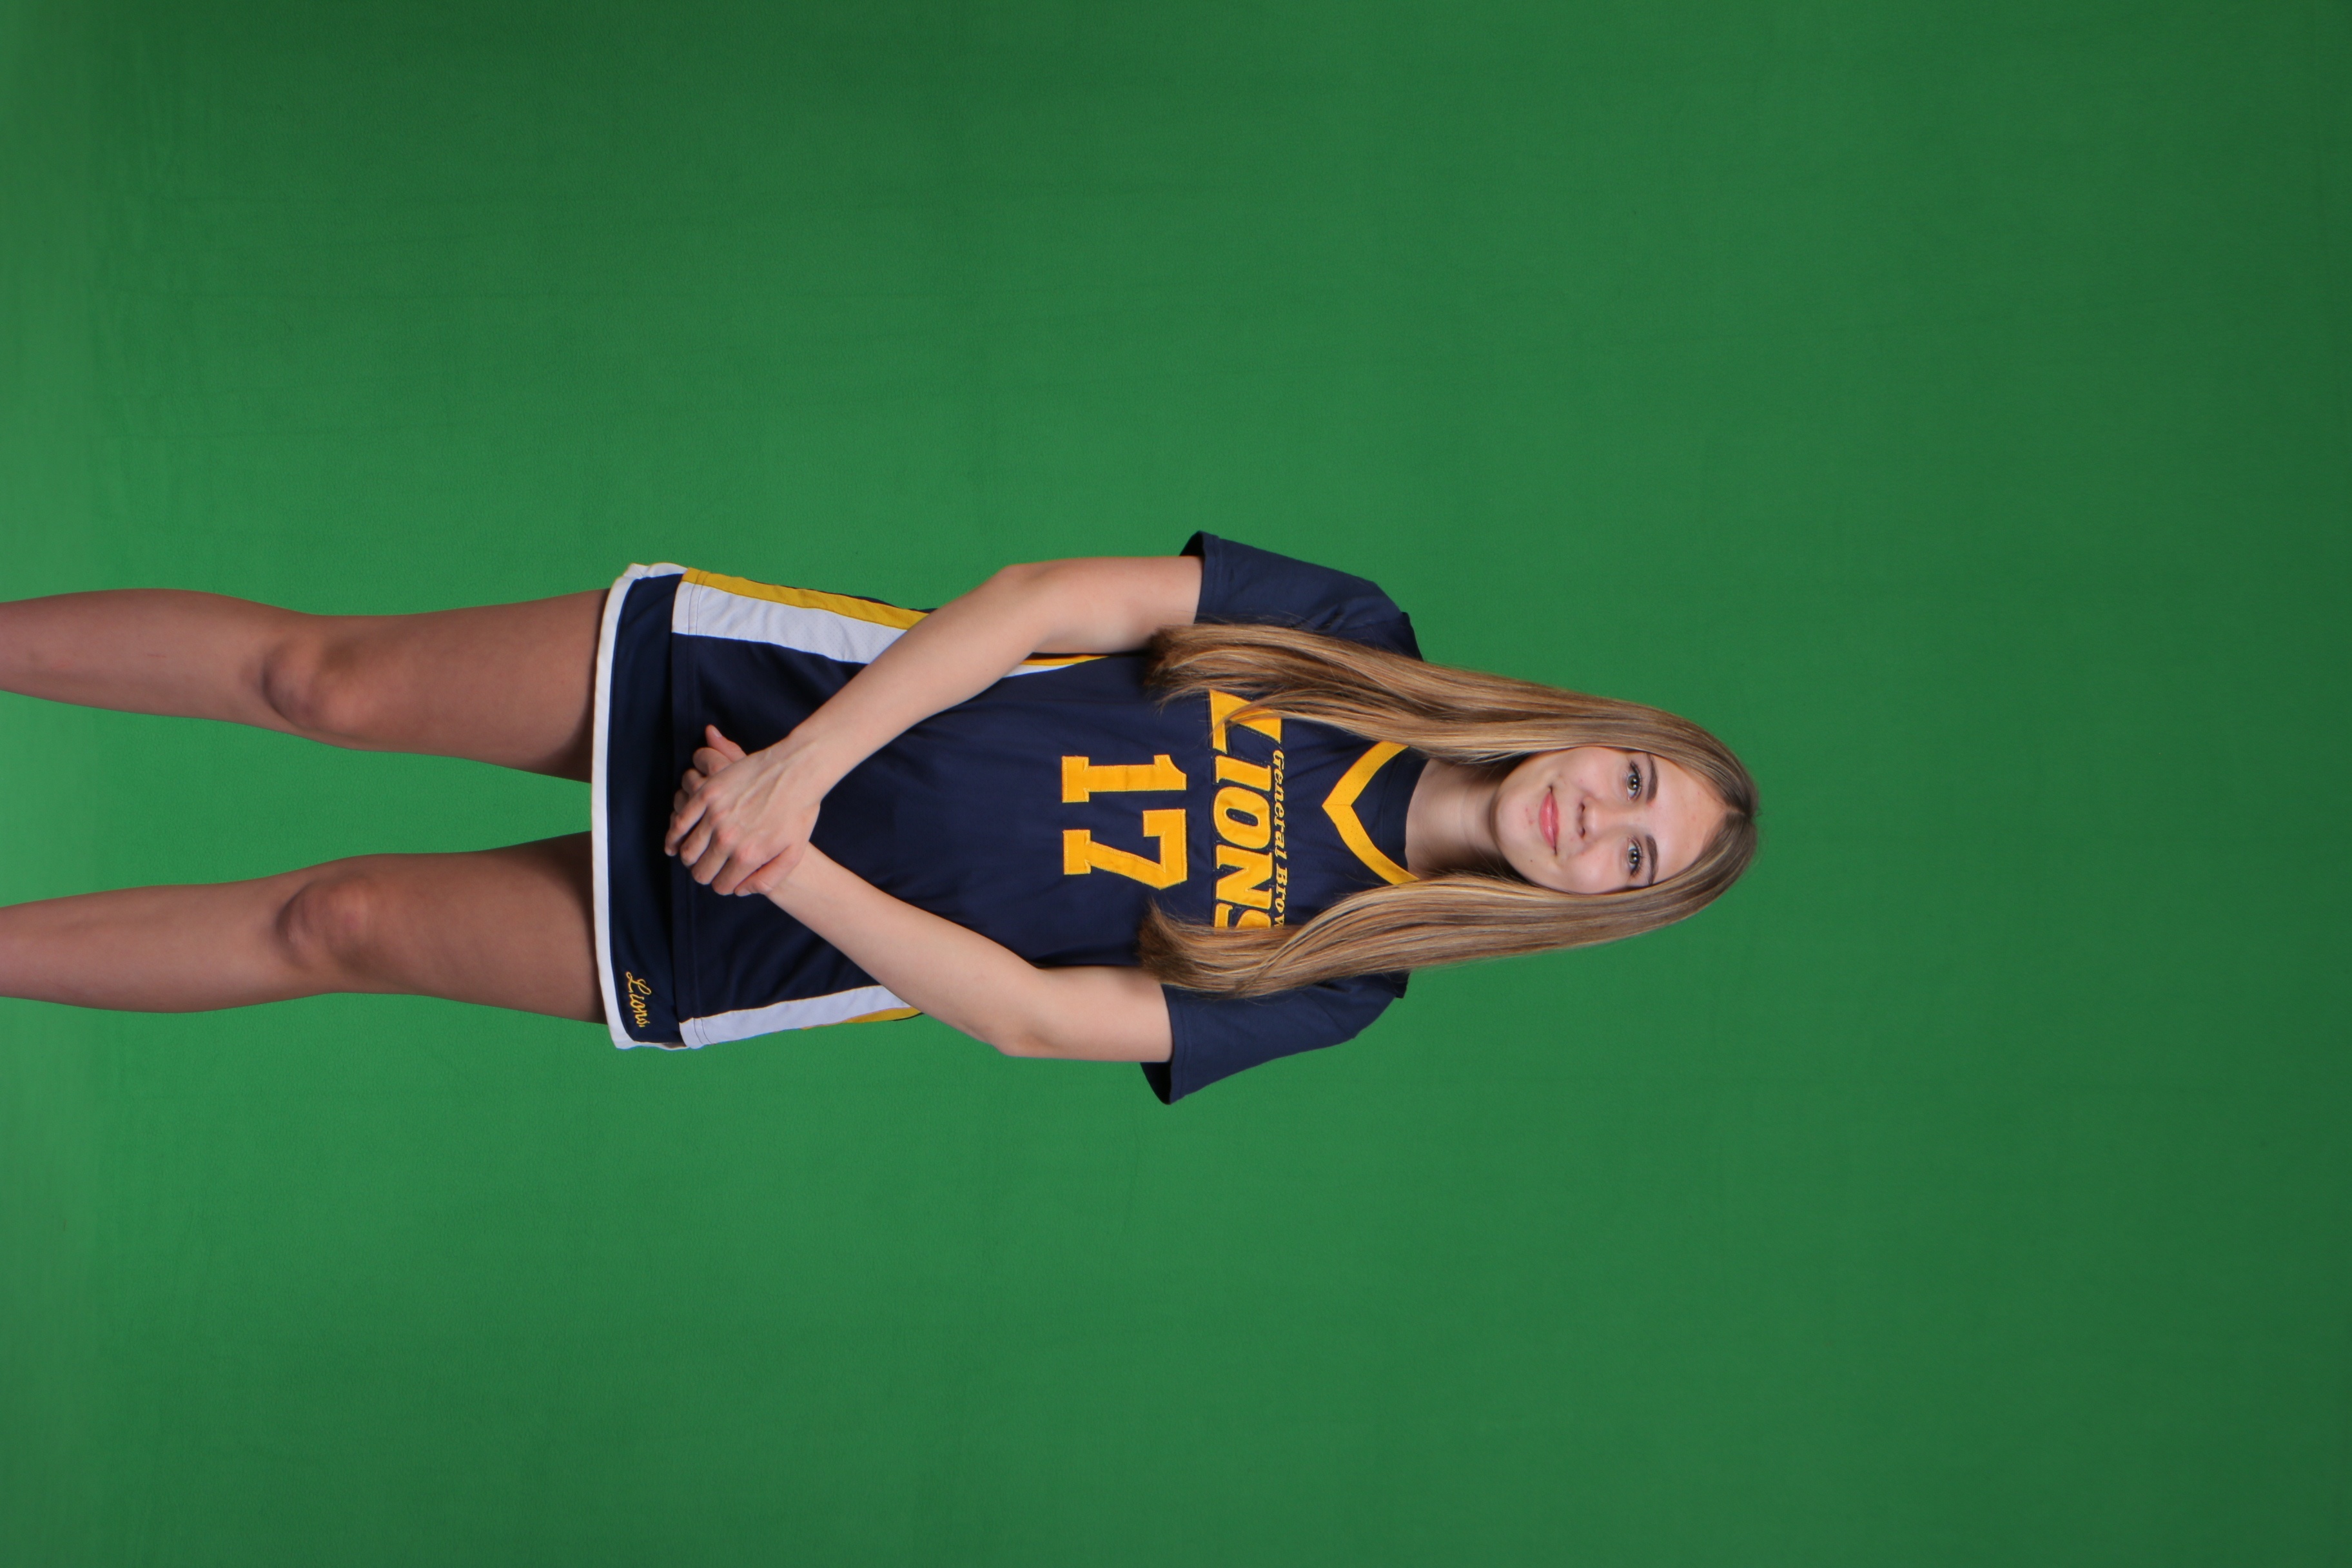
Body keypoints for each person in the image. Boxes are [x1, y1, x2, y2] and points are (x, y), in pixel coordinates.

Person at [0, 535, 1757, 1101]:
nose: (1594, 822)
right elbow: (1039, 600)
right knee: (326, 682)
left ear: (1596, 906)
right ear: (1594, 732)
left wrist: (794, 862)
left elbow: (1034, 1016)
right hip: (784, 704)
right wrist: (798, 771)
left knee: (341, 924)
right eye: (1633, 780)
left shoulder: (1345, 979)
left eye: (1635, 856)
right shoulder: (1356, 640)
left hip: (776, 918)